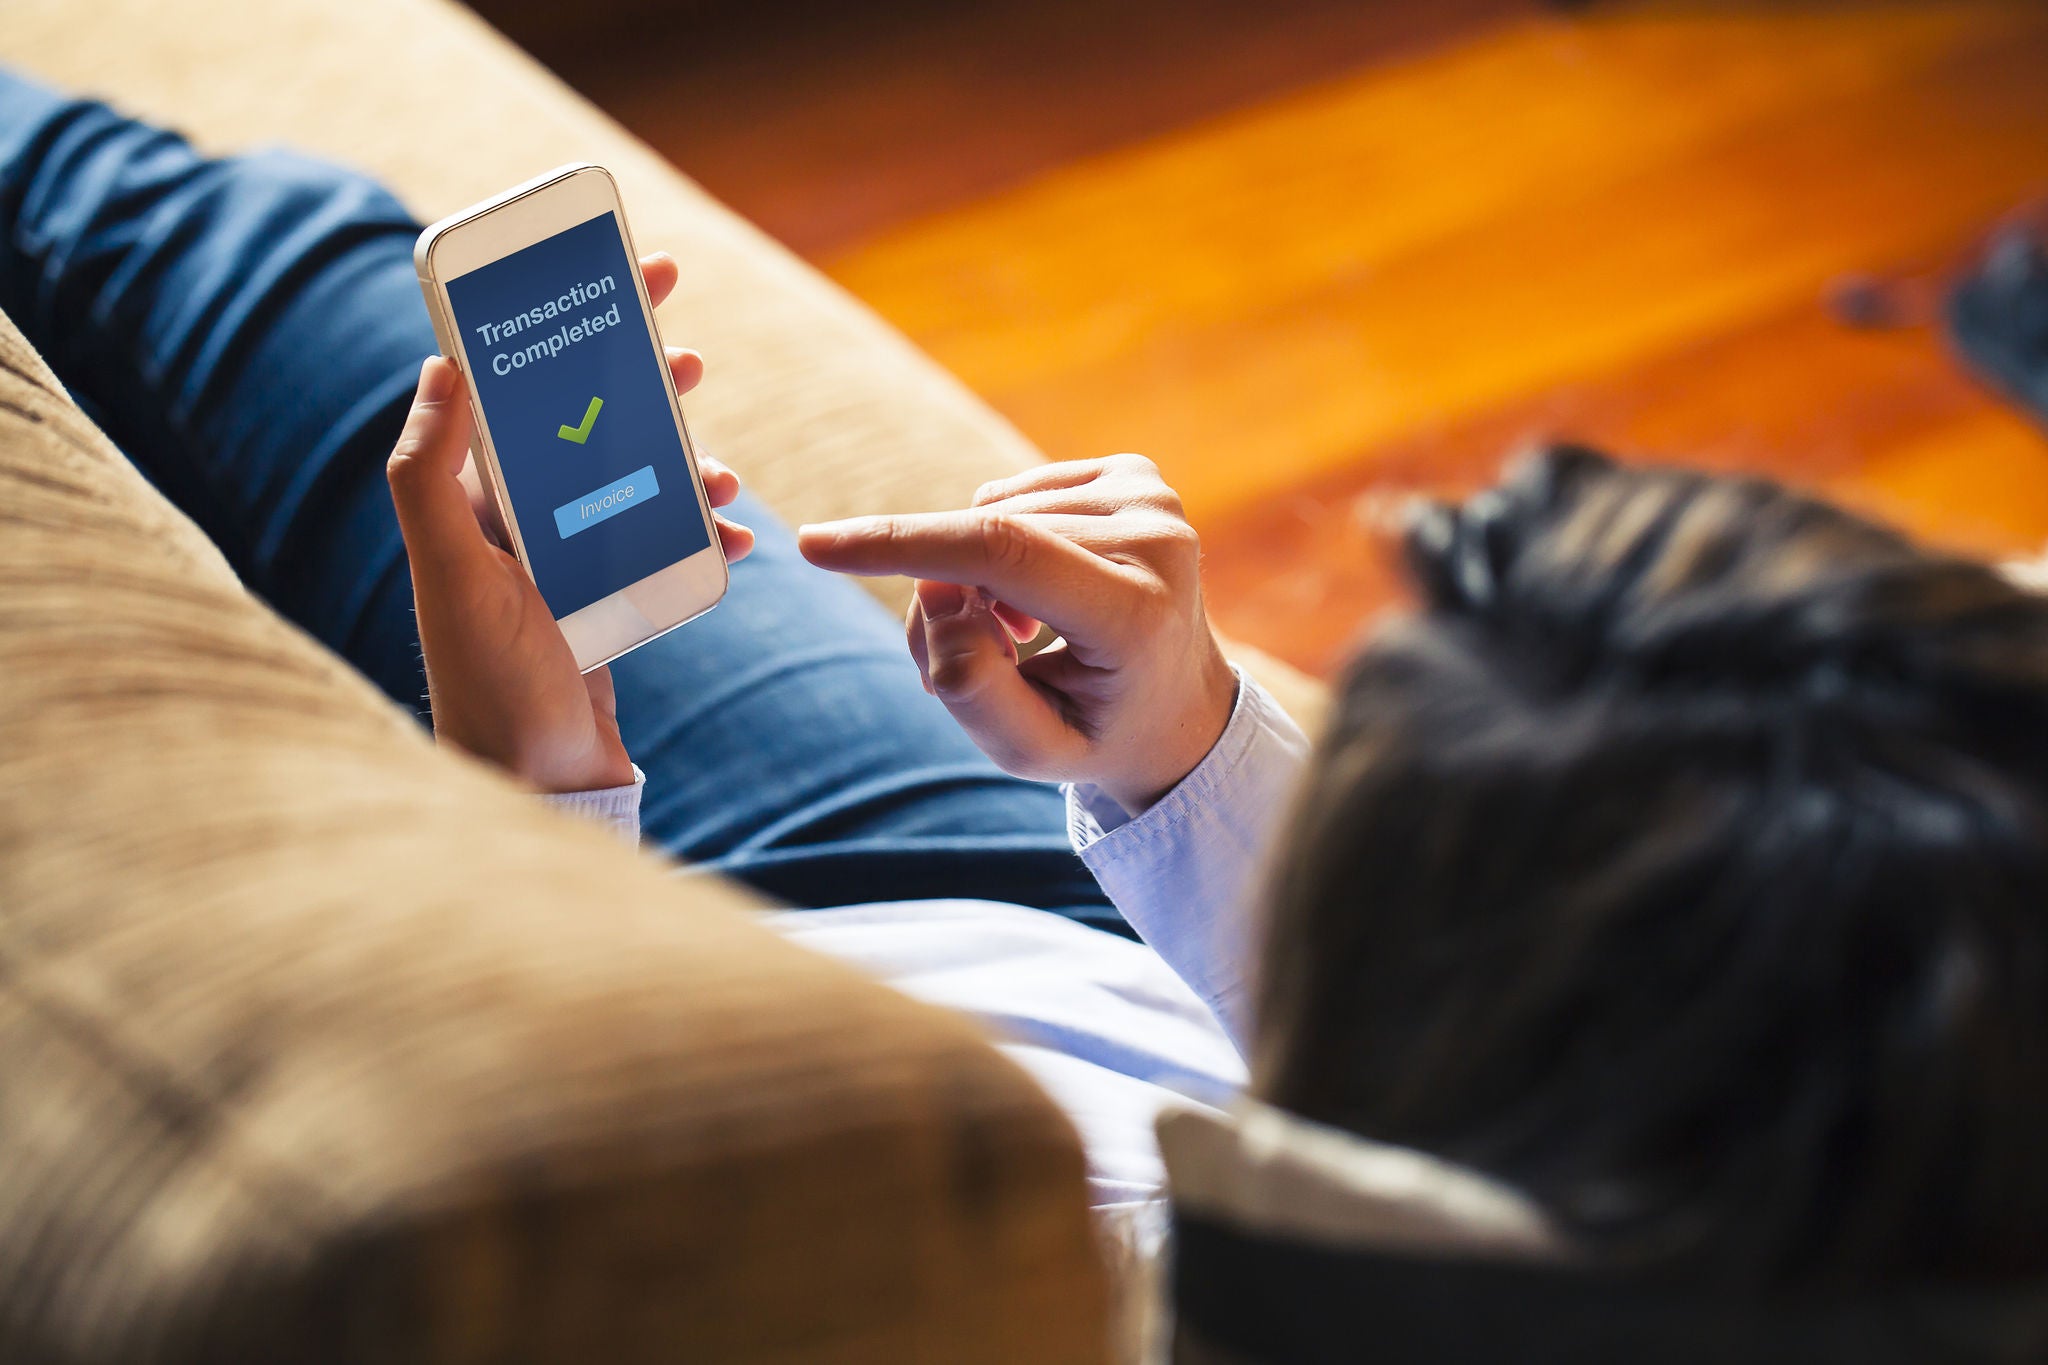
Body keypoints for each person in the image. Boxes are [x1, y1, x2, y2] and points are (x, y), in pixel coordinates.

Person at [8, 70, 2048, 1294]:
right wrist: (1182, 757)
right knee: (264, 265)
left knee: (222, 311)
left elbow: (636, 1251)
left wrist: (540, 804)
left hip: (698, 1018)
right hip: (996, 890)